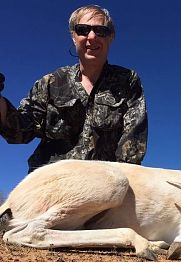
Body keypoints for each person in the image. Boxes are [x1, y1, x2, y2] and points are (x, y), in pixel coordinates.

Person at [0, 5, 148, 173]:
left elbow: (132, 146)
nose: (92, 36)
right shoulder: (51, 83)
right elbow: (20, 132)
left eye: (100, 31)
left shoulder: (128, 80)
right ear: (73, 36)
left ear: (110, 37)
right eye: (83, 30)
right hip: (52, 183)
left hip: (105, 185)